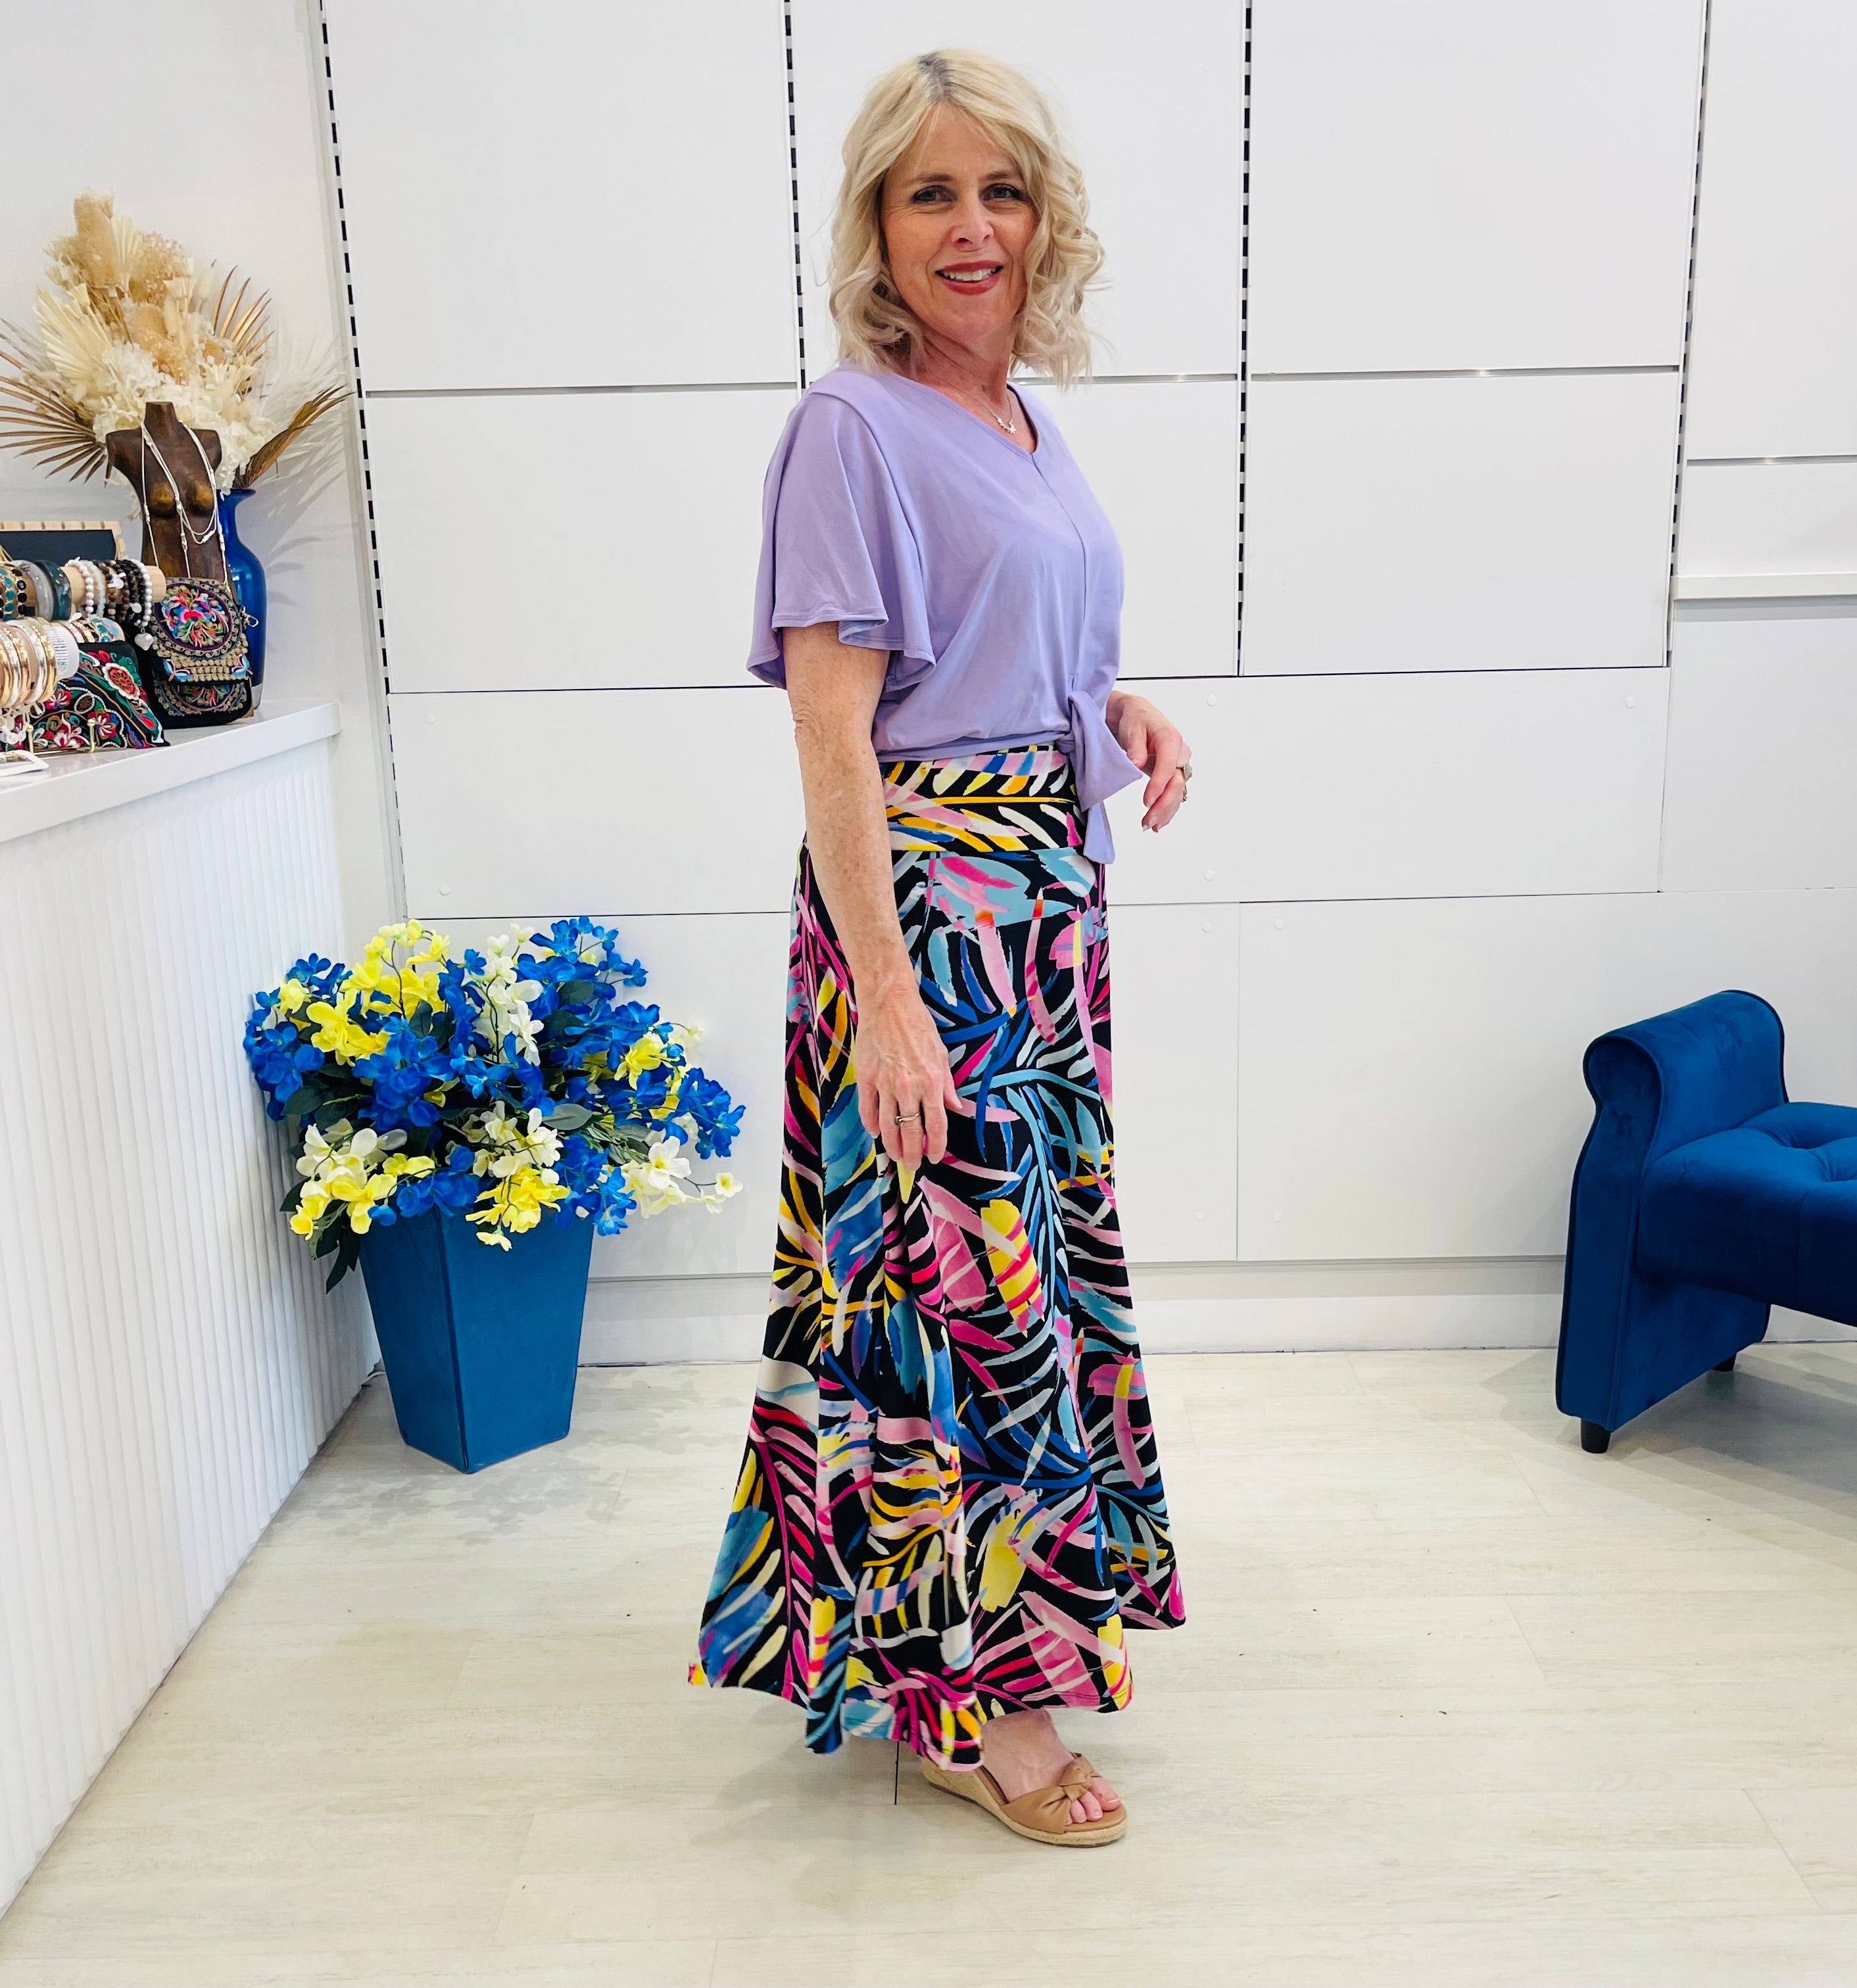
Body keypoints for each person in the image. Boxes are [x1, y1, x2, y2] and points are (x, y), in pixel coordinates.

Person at [692, 47, 1190, 1849]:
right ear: (877, 230)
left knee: (1021, 1294)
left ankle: (999, 1642)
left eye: (1001, 192)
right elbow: (839, 735)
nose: (970, 227)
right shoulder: (852, 424)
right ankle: (959, 1706)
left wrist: (1111, 710)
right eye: (930, 194)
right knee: (940, 1310)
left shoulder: (1025, 422)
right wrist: (888, 1007)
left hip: (1045, 916)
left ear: (1043, 219)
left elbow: (1000, 643)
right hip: (927, 926)